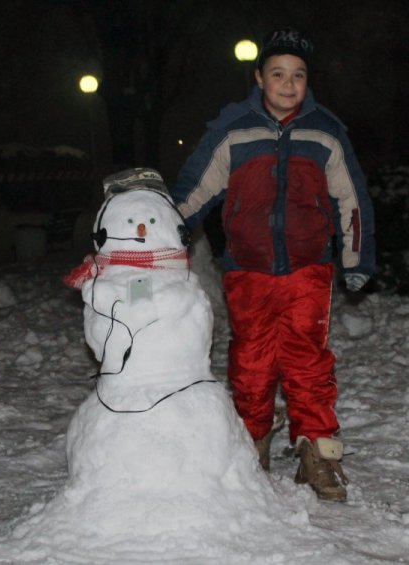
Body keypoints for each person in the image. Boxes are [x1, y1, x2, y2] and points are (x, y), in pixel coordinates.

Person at [171, 27, 375, 502]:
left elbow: (353, 199)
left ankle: (318, 455)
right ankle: (251, 445)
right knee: (252, 362)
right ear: (259, 77)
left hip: (308, 268)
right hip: (248, 269)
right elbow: (195, 188)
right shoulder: (233, 131)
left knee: (308, 361)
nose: (288, 84)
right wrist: (165, 229)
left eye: (298, 76)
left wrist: (356, 258)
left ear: (309, 82)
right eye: (278, 74)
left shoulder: (325, 133)